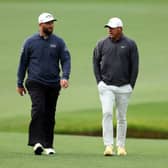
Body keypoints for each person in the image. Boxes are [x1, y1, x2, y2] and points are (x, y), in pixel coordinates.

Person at [16, 12, 71, 155]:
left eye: (52, 23)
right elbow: (23, 63)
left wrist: (65, 76)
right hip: (35, 81)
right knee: (39, 109)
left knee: (50, 114)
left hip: (53, 83)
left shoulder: (59, 42)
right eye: (47, 23)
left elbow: (66, 60)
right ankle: (37, 142)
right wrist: (19, 83)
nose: (51, 25)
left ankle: (48, 145)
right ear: (40, 25)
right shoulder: (30, 42)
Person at [93, 17, 139, 156]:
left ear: (120, 29)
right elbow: (95, 62)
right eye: (108, 28)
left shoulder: (130, 44)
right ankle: (108, 146)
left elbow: (135, 66)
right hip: (106, 86)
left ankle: (121, 146)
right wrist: (99, 82)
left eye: (112, 28)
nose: (109, 30)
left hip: (124, 87)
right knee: (107, 113)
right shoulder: (101, 44)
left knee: (121, 117)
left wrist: (131, 85)